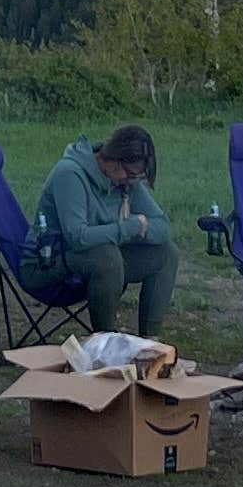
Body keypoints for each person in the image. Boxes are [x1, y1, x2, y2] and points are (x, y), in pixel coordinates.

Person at [38, 124, 176, 338]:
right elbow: (77, 237)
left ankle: (150, 342)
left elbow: (163, 226)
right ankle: (106, 342)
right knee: (108, 257)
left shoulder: (125, 182)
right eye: (130, 174)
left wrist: (139, 228)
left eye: (136, 177)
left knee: (166, 252)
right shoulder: (70, 174)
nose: (131, 182)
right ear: (113, 159)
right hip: (51, 261)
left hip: (100, 263)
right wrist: (127, 228)